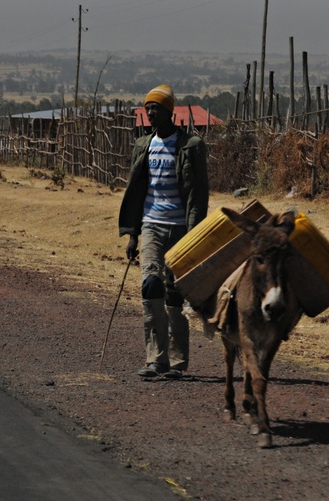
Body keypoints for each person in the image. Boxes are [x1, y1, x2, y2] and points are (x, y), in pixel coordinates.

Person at [118, 84, 209, 379]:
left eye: (155, 108)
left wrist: (194, 235)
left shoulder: (190, 145)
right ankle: (155, 359)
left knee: (174, 295)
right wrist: (133, 234)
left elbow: (198, 194)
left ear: (170, 112)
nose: (150, 113)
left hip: (180, 229)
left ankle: (177, 362)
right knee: (150, 286)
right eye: (147, 109)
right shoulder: (143, 145)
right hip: (152, 225)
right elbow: (137, 189)